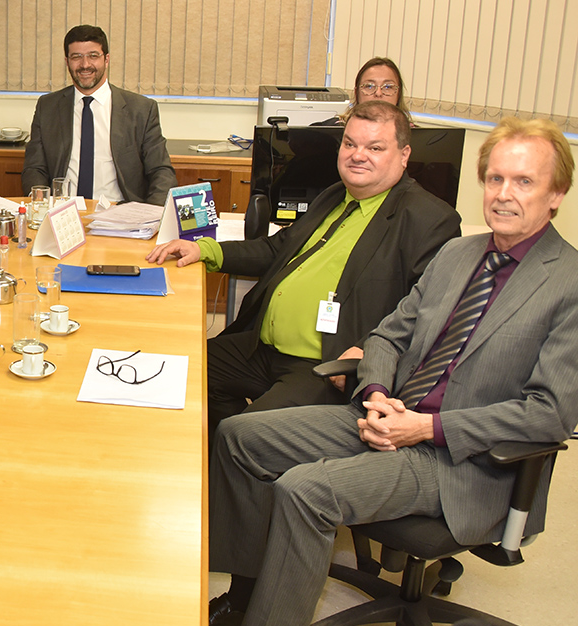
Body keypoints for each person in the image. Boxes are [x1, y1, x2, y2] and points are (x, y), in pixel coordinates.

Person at [207, 116, 578, 626]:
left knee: (306, 489)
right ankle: (246, 593)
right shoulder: (459, 255)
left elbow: (548, 414)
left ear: (556, 195)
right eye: (496, 179)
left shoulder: (568, 284)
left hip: (462, 459)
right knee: (240, 436)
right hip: (389, 414)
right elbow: (386, 336)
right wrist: (377, 393)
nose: (504, 195)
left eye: (524, 182)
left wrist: (425, 427)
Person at [148, 100, 461, 432]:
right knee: (185, 369)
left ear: (403, 155)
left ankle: (240, 453)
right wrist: (206, 251)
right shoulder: (335, 195)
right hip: (264, 348)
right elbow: (276, 249)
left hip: (325, 365)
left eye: (375, 147)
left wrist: (370, 351)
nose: (357, 155)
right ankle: (234, 462)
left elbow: (429, 316)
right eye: (350, 144)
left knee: (244, 432)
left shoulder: (429, 220)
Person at [22, 24, 178, 205]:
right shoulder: (47, 107)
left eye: (93, 56)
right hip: (63, 212)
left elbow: (161, 171)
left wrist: (150, 215)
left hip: (120, 213)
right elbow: (34, 169)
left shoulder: (141, 109)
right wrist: (42, 205)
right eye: (76, 57)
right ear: (67, 62)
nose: (85, 64)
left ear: (107, 59)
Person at [313, 56, 411, 125]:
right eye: (369, 86)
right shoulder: (331, 130)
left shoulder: (415, 137)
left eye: (388, 87)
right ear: (356, 93)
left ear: (398, 94)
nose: (378, 93)